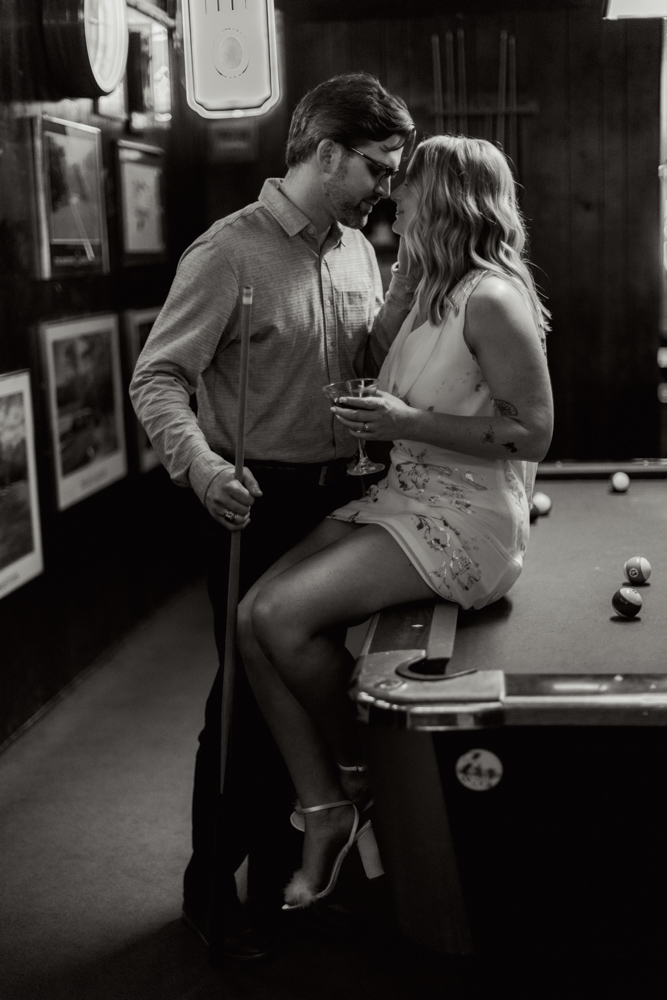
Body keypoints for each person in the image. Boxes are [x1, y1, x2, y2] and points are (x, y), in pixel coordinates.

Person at [129, 73, 416, 958]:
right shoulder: (228, 252)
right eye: (375, 167)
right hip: (251, 498)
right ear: (325, 152)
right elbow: (157, 379)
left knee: (314, 692)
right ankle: (212, 892)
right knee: (247, 712)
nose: (385, 188)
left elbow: (362, 356)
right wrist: (204, 468)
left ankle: (296, 881)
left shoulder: (358, 248)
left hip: (341, 500)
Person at [237, 134, 554, 910]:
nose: (390, 194)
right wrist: (401, 281)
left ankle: (362, 772)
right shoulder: (429, 290)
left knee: (279, 615)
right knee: (249, 618)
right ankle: (327, 810)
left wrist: (404, 420)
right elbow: (383, 365)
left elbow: (533, 433)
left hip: (465, 515)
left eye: (403, 183)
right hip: (406, 493)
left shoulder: (492, 297)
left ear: (441, 195)